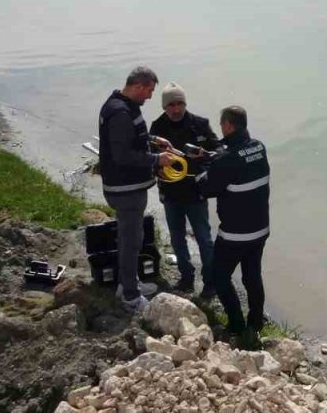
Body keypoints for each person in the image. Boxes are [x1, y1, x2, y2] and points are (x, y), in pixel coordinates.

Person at [97, 66, 176, 312]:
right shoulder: (119, 112)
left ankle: (127, 282)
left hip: (127, 189)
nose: (151, 96)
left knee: (132, 238)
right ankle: (131, 298)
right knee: (131, 242)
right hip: (125, 190)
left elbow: (130, 138)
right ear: (138, 86)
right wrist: (156, 159)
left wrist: (154, 141)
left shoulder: (122, 105)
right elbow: (122, 155)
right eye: (149, 90)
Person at [197, 105, 270, 349]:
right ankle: (256, 323)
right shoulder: (259, 147)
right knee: (252, 276)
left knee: (220, 276)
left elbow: (206, 188)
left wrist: (202, 169)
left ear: (228, 125)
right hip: (260, 230)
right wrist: (216, 157)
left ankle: (237, 324)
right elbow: (238, 165)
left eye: (222, 125)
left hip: (234, 234)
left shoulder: (225, 160)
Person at [149, 82, 219, 299]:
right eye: (171, 105)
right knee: (177, 238)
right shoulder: (157, 128)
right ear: (164, 107)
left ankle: (210, 283)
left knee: (204, 239)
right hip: (170, 194)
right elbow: (148, 159)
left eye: (180, 103)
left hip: (196, 193)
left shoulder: (200, 124)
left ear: (185, 103)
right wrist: (158, 166)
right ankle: (186, 278)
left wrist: (204, 156)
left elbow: (218, 152)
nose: (176, 109)